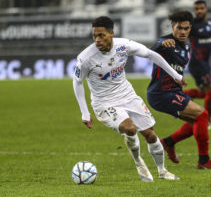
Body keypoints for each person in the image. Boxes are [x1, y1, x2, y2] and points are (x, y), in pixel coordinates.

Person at [73, 16, 186, 182]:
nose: (97, 40)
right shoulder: (86, 58)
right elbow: (77, 82)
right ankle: (139, 163)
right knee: (130, 128)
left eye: (102, 35)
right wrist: (84, 112)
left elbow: (151, 54)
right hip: (104, 103)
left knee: (150, 135)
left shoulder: (123, 46)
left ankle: (162, 172)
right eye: (95, 36)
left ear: (111, 33)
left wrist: (175, 75)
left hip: (127, 95)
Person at [147, 11, 211, 169]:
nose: (183, 32)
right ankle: (203, 161)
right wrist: (161, 44)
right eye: (179, 28)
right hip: (161, 94)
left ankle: (168, 142)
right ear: (173, 27)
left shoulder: (187, 46)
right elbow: (151, 51)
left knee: (198, 121)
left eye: (186, 28)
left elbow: (175, 70)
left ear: (190, 28)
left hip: (173, 92)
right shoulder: (165, 42)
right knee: (202, 115)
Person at [162, 0, 211, 130]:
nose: (199, 11)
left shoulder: (208, 24)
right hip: (197, 63)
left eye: (201, 8)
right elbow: (179, 34)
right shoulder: (192, 25)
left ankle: (177, 98)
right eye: (196, 9)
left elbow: (208, 43)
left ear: (206, 9)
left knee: (204, 93)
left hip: (205, 63)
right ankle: (208, 122)